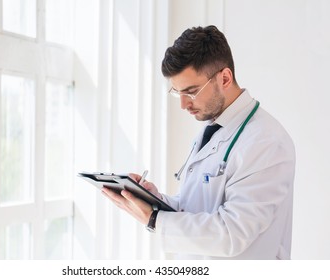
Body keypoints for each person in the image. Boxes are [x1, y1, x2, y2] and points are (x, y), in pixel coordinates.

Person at [102, 25, 296, 259]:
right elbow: (198, 207)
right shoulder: (213, 129)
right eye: (177, 92)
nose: (184, 104)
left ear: (225, 78)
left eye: (191, 91)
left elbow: (232, 234)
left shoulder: (266, 142)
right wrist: (157, 201)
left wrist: (154, 219)